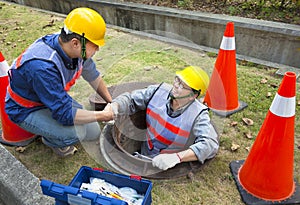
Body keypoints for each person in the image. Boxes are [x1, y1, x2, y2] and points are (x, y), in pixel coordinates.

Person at [4, 8, 113, 157]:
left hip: (50, 98)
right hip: (26, 108)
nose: (98, 49)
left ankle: (50, 127)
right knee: (77, 133)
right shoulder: (42, 67)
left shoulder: (74, 49)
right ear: (75, 43)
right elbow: (65, 114)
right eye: (95, 45)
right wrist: (103, 115)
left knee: (93, 131)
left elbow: (93, 76)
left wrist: (110, 102)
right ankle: (52, 140)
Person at [105, 66, 219, 171]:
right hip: (145, 151)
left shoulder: (198, 114)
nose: (176, 85)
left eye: (182, 85)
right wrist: (115, 106)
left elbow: (210, 144)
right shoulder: (158, 92)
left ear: (193, 96)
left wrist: (177, 158)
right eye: (177, 80)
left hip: (170, 165)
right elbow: (131, 99)